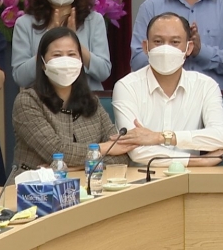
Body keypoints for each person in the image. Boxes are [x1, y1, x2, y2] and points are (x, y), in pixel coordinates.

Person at [114, 13, 223, 167]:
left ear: (189, 48)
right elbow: (136, 150)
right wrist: (198, 161)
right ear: (145, 47)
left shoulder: (206, 86)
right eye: (158, 41)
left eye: (175, 42)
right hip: (140, 177)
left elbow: (220, 136)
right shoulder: (126, 86)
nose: (166, 49)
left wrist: (161, 137)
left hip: (190, 178)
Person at [12, 27, 135, 171]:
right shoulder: (27, 101)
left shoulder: (92, 102)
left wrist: (76, 167)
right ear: (42, 63)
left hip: (87, 182)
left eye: (71, 54)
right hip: (35, 183)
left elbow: (121, 156)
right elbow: (56, 152)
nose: (65, 61)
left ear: (81, 61)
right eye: (57, 55)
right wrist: (102, 148)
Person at [12, 0, 111, 90]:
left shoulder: (94, 20)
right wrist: (48, 43)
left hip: (86, 98)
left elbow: (103, 72)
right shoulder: (25, 23)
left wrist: (75, 45)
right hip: (42, 99)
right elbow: (20, 77)